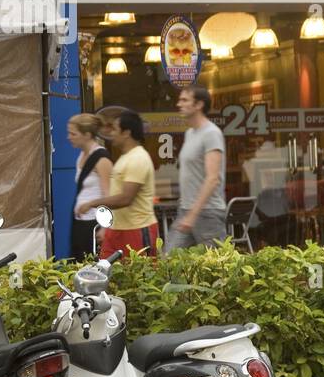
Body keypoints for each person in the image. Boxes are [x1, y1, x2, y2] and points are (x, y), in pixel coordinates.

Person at [82, 110, 159, 257]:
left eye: (115, 129)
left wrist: (92, 203)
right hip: (116, 229)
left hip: (138, 230)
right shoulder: (125, 157)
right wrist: (107, 227)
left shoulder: (138, 158)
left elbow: (125, 199)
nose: (111, 134)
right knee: (105, 274)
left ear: (126, 133)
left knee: (139, 277)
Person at [167, 86, 227, 251]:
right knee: (169, 260)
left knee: (216, 267)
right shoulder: (190, 133)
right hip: (186, 209)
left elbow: (212, 178)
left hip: (208, 213)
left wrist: (193, 215)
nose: (179, 104)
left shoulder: (211, 133)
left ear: (199, 105)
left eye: (185, 100)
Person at [67, 114, 112, 259]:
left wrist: (106, 227)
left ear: (87, 135)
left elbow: (109, 194)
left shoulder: (102, 158)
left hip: (94, 224)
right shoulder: (81, 156)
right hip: (80, 222)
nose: (69, 137)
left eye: (73, 133)